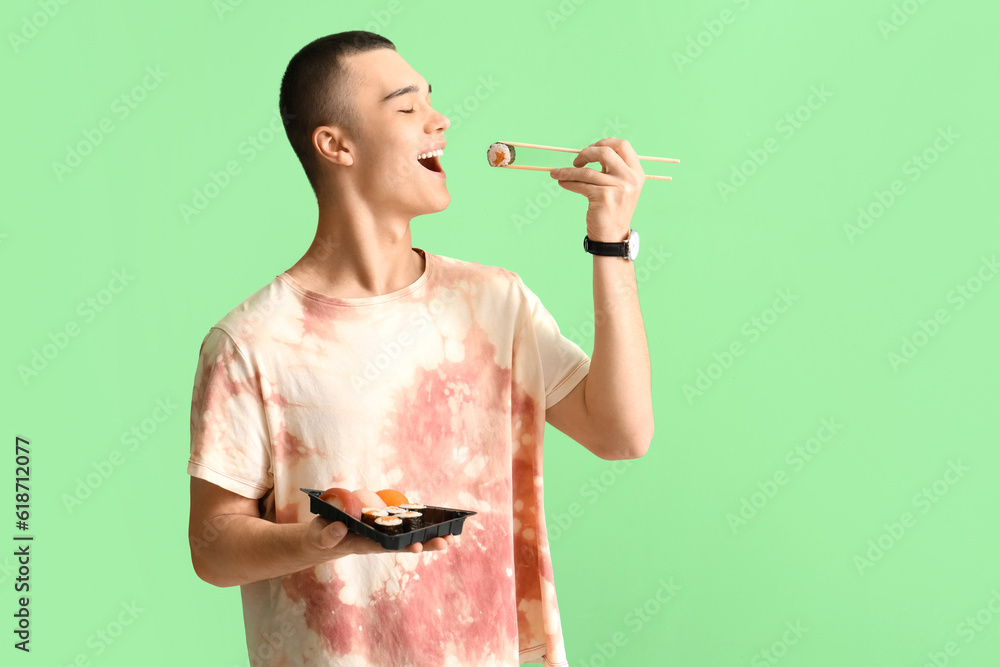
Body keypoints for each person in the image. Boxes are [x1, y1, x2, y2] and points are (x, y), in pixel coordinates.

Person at [187, 30, 653, 667]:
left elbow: (621, 434)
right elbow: (214, 549)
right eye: (407, 108)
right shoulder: (251, 342)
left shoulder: (494, 301)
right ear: (335, 144)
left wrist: (611, 243)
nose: (440, 120)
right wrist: (325, 542)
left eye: (430, 101)